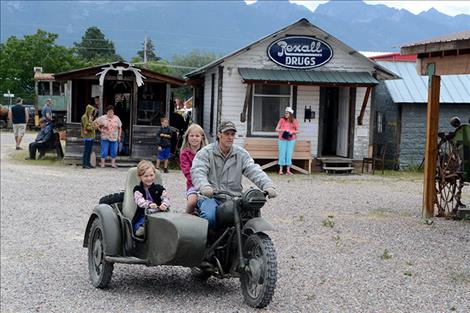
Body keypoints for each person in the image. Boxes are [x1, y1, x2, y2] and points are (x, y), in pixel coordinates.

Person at [191, 121, 278, 229]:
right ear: (219, 134)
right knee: (209, 217)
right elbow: (198, 171)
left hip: (234, 198)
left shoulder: (241, 154)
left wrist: (267, 185)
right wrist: (204, 186)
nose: (230, 137)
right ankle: (209, 244)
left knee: (250, 216)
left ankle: (249, 241)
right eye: (227, 134)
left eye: (232, 134)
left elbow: (254, 170)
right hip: (211, 197)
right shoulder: (206, 153)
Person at [132, 160, 170, 237]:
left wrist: (164, 204)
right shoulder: (138, 189)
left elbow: (166, 198)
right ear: (140, 177)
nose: (149, 178)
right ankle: (141, 228)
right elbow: (139, 200)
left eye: (151, 175)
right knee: (141, 222)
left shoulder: (159, 188)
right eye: (146, 176)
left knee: (167, 222)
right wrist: (149, 204)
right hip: (144, 214)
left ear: (154, 175)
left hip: (159, 214)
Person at [179, 124, 208, 214]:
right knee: (192, 202)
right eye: (191, 136)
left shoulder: (207, 152)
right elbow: (187, 172)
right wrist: (198, 184)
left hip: (207, 184)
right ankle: (186, 218)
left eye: (197, 136)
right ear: (187, 137)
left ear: (202, 137)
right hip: (193, 185)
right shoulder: (184, 153)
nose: (194, 138)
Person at [275, 107, 299, 175]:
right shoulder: (282, 120)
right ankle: (281, 170)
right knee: (282, 154)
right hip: (282, 139)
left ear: (290, 114)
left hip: (291, 140)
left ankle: (288, 170)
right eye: (285, 113)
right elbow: (276, 129)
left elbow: (297, 131)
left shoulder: (294, 121)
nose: (285, 114)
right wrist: (283, 130)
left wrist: (291, 132)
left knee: (289, 154)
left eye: (287, 113)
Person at [81, 104, 96, 169]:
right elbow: (87, 127)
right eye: (91, 111)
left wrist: (93, 124)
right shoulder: (84, 117)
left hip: (91, 136)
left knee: (89, 150)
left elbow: (91, 124)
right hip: (87, 136)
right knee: (86, 150)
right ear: (88, 110)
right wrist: (94, 127)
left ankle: (88, 163)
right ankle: (85, 164)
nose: (92, 112)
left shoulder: (89, 117)